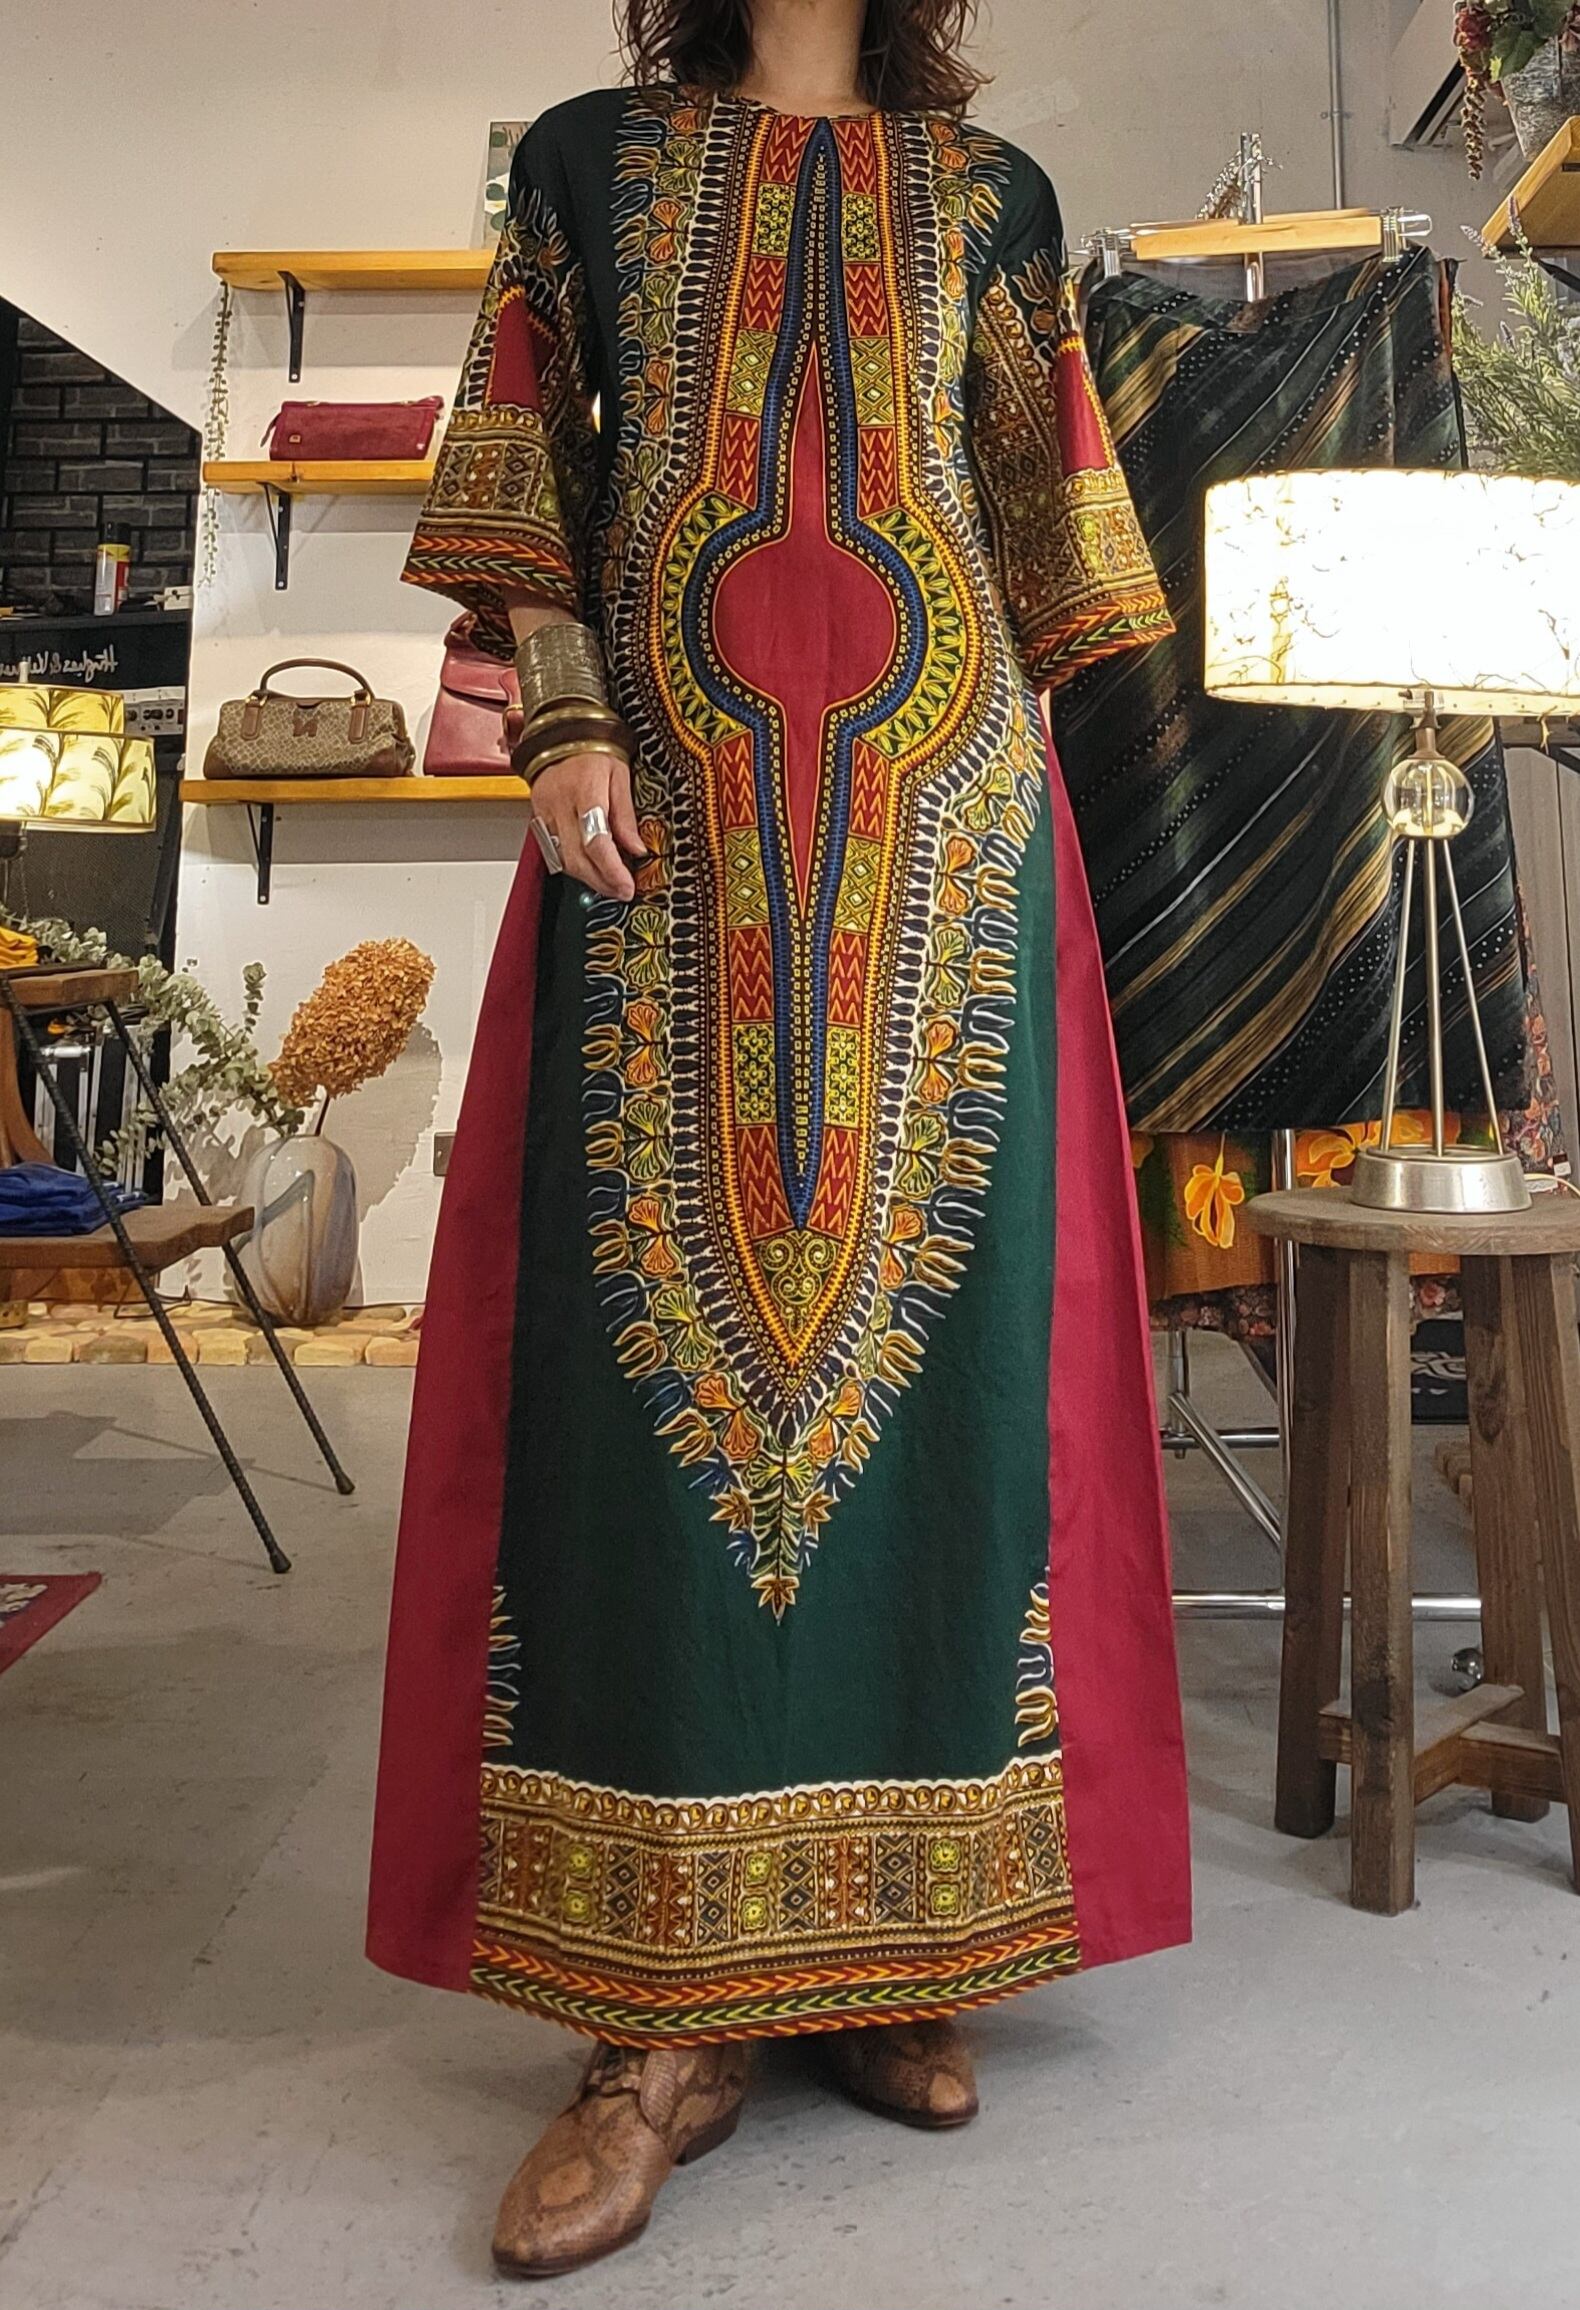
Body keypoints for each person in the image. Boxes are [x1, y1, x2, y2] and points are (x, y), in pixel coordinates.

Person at [369, 0, 1191, 2278]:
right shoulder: (586, 159)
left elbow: (1046, 541)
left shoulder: (992, 202)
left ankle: (898, 1958)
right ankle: (650, 2031)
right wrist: (556, 720)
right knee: (640, 1416)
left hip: (939, 849)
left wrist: (980, 806)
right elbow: (522, 477)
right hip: (659, 836)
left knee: (937, 1399)